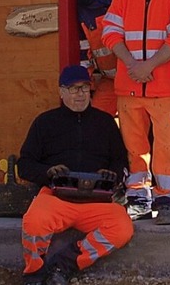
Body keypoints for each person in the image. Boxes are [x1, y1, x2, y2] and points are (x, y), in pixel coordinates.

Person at [18, 65, 133, 285]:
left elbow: (120, 161)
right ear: (61, 92)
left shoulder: (106, 122)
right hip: (56, 196)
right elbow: (25, 165)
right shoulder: (45, 122)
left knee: (122, 227)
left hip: (97, 198)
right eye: (72, 89)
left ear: (90, 91)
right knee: (34, 221)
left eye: (84, 88)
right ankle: (34, 272)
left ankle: (64, 264)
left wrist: (113, 175)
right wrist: (47, 172)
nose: (79, 94)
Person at [102, 0, 170, 226]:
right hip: (130, 84)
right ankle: (138, 200)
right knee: (134, 147)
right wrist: (134, 65)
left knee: (167, 146)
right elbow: (110, 33)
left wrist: (148, 65)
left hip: (165, 86)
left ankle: (167, 200)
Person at [77, 0, 126, 116]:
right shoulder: (81, 3)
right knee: (94, 119)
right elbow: (82, 46)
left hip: (141, 76)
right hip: (109, 80)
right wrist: (86, 86)